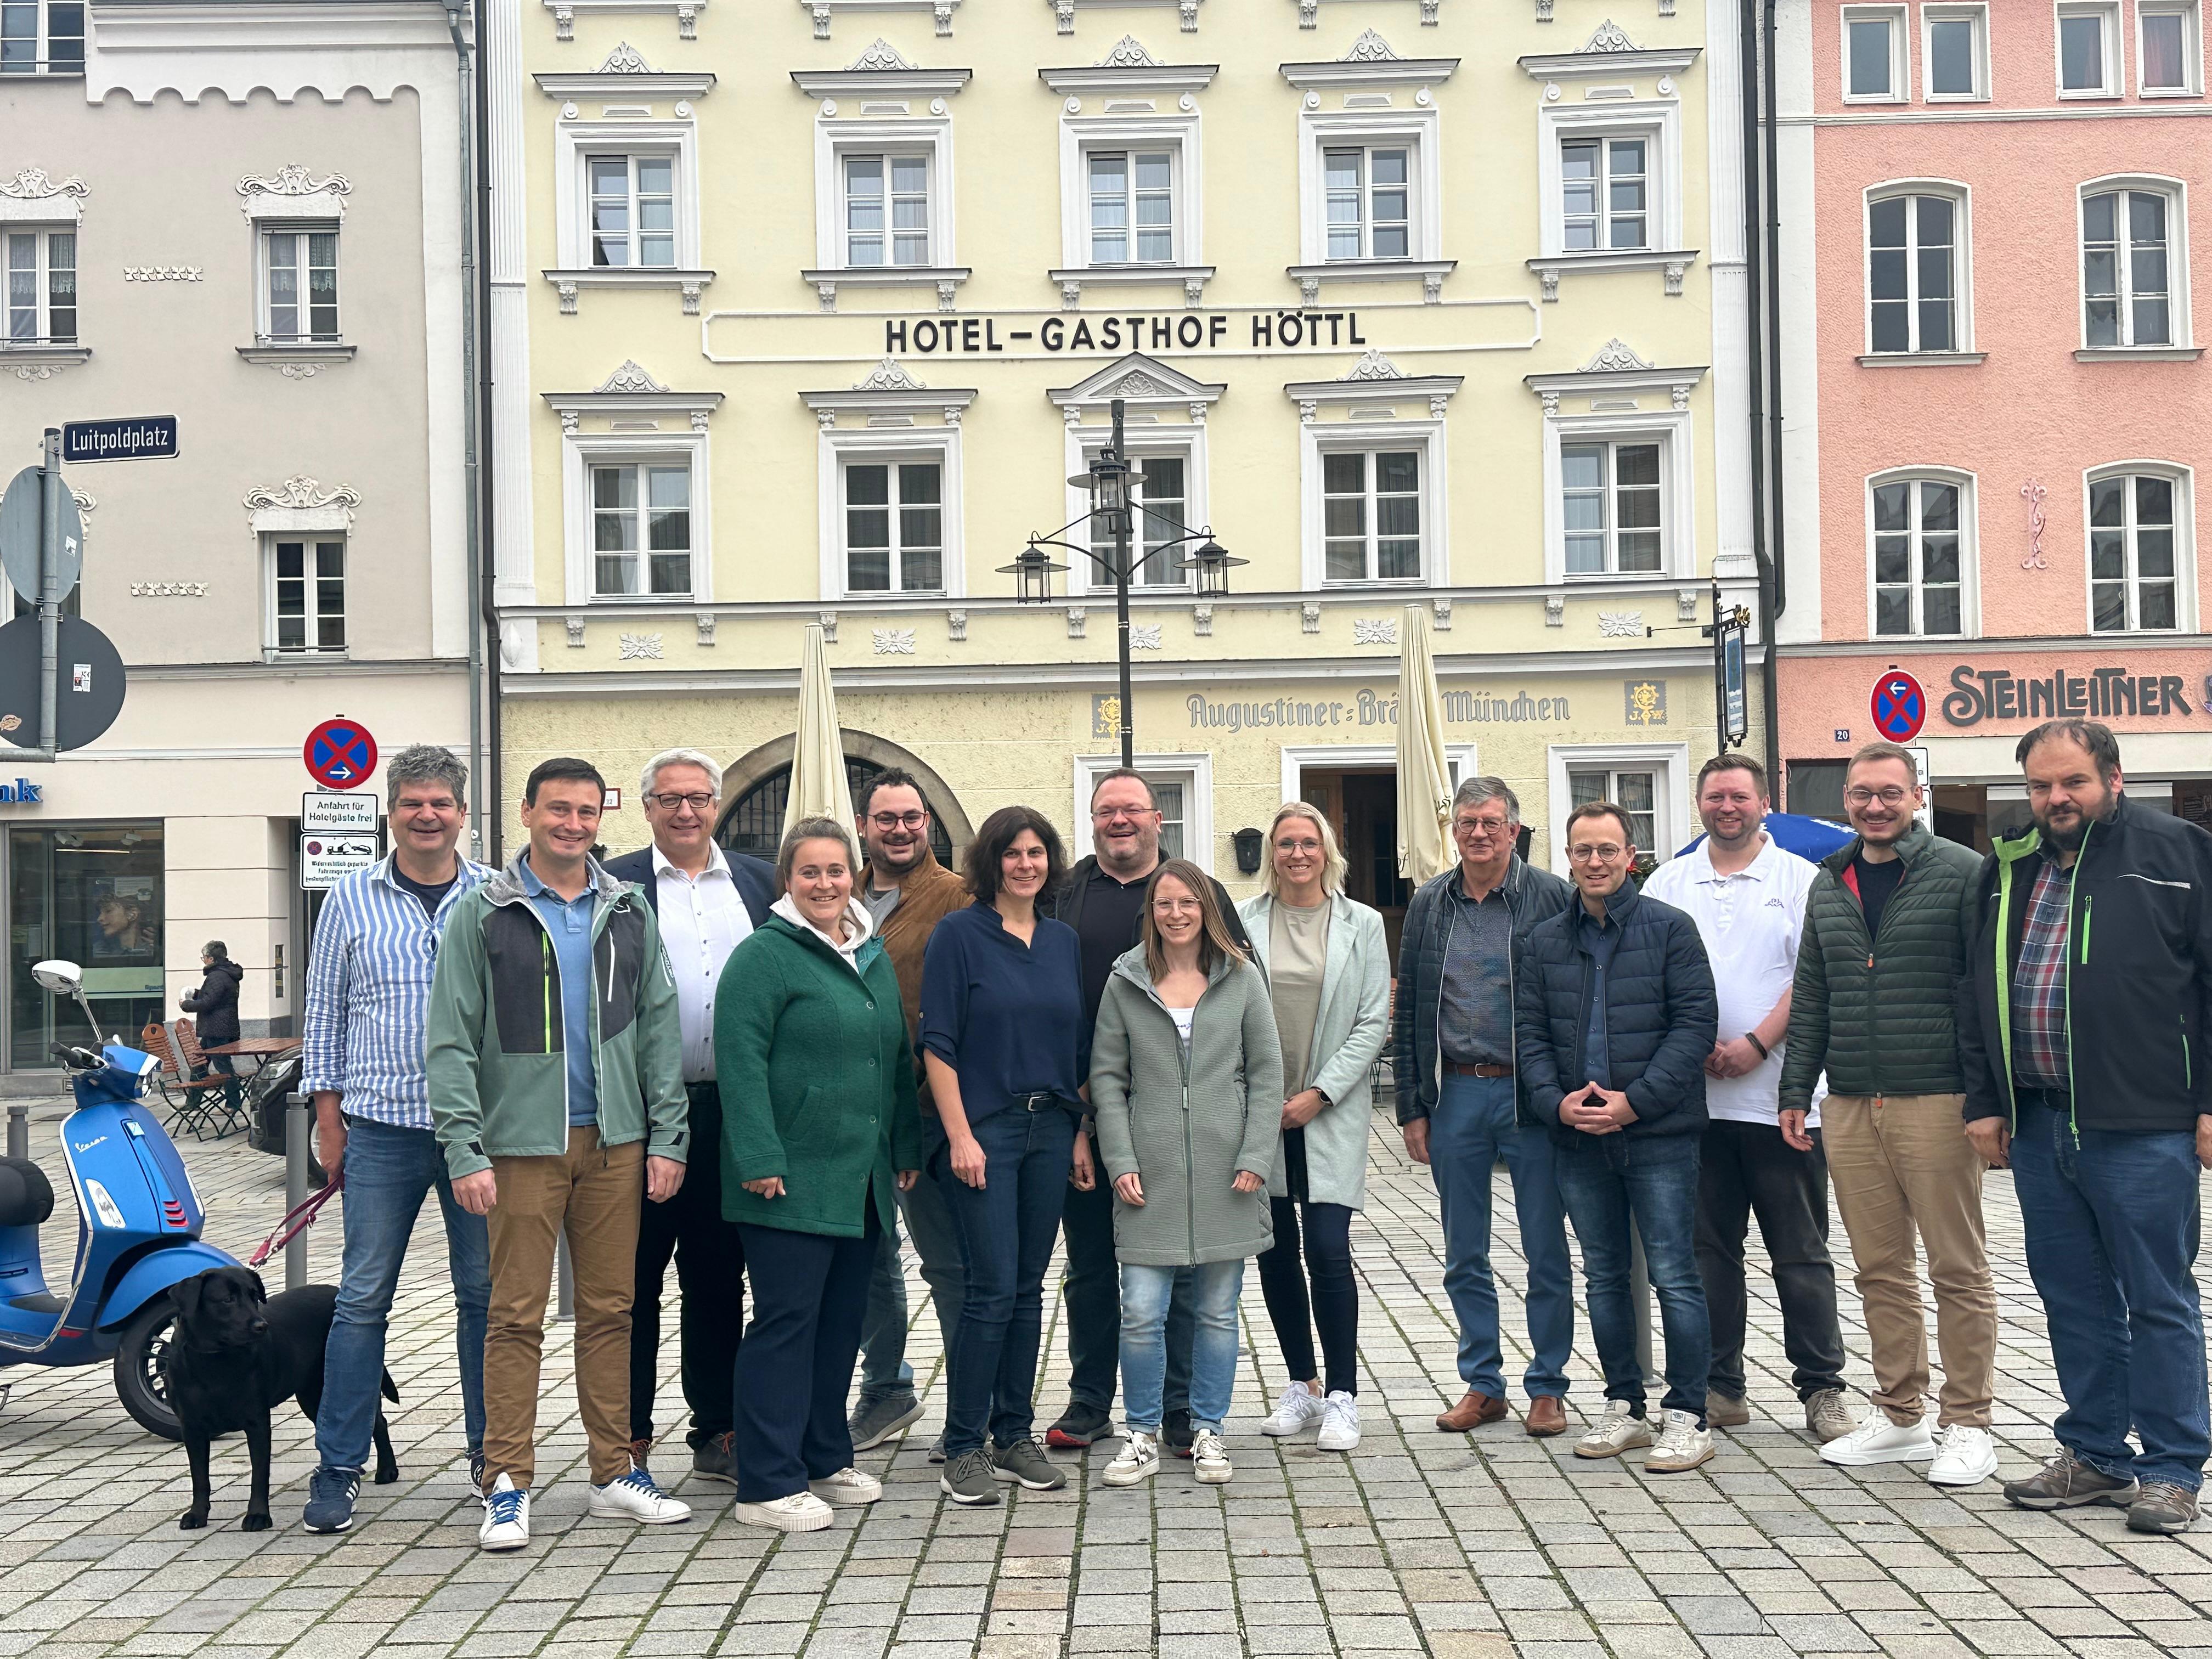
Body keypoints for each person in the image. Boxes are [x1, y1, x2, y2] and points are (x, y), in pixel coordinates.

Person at [427, 756, 693, 1551]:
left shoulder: (628, 908)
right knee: (513, 1317)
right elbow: (450, 1040)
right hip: (518, 1149)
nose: (573, 825)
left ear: (601, 819)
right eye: (559, 811)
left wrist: (667, 1135)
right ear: (528, 813)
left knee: (613, 1311)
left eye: (586, 812)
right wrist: (463, 1147)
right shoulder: (484, 913)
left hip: (616, 1143)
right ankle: (505, 1480)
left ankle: (615, 1471)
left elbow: (658, 1030)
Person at [1959, 721, 2212, 1534]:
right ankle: (2098, 1455)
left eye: (2072, 783)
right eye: (2041, 787)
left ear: (2114, 777)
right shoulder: (2010, 868)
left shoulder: (2179, 854)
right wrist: (1986, 1101)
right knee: (2071, 1297)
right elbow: (1975, 992)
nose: (2057, 800)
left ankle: (2173, 1468)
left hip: (2145, 1124)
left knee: (2158, 1297)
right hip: (2038, 1123)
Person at [1780, 740, 1995, 1487]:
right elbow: (1812, 995)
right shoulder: (1830, 881)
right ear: (1846, 799)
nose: (1875, 805)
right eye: (1862, 793)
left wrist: (1987, 1101)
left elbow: (1981, 992)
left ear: (1917, 796)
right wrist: (1793, 1092)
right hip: (1848, 1103)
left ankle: (1967, 1423)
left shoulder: (1963, 874)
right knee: (1879, 1269)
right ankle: (1901, 1413)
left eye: (1889, 793)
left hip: (1936, 1099)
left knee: (1957, 1269)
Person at [298, 746, 494, 1534]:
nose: (427, 816)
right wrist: (327, 1117)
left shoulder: (495, 896)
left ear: (461, 812)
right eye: (413, 803)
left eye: (441, 803)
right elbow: (325, 1014)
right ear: (392, 811)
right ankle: (338, 1466)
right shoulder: (349, 899)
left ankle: (495, 1458)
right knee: (361, 1298)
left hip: (476, 1135)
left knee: (485, 1298)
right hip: (380, 1129)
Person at [1640, 756, 1852, 1444]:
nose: (1726, 806)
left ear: (1764, 800)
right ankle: (1721, 1386)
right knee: (1709, 1255)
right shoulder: (1670, 881)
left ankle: (1822, 1389)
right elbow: (1657, 978)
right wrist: (1690, 1048)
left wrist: (1757, 1045)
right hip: (1695, 1103)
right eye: (1714, 796)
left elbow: (1812, 979)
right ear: (1699, 804)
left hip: (1784, 1101)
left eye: (1739, 795)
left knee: (1801, 1254)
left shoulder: (1800, 880)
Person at [719, 816, 921, 1532]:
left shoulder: (868, 953)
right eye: (811, 872)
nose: (826, 884)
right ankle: (767, 1484)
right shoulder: (763, 957)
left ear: (855, 876)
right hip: (787, 1177)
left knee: (840, 1326)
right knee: (786, 1326)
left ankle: (822, 1454)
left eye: (837, 871)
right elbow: (738, 1064)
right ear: (788, 880)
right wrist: (759, 1158)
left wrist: (905, 1147)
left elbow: (893, 1060)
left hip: (858, 1180)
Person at [1041, 769, 1250, 1454]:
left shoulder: (1203, 894)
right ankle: (1091, 1400)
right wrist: (1077, 1123)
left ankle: (1183, 1410)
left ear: (1158, 818)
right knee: (1095, 1268)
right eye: (1107, 810)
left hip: (1183, 1129)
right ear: (1093, 820)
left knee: (1186, 1272)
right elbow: (1057, 1012)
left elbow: (1244, 1007)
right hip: (1091, 1114)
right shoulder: (1065, 893)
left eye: (1132, 808)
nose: (1120, 820)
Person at [1518, 799, 1719, 1473]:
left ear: (1630, 856)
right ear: (1568, 859)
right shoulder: (1545, 940)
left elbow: (1694, 1026)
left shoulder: (1670, 930)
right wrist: (1557, 1105)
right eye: (1583, 851)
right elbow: (1531, 1037)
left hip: (1658, 1132)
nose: (1596, 862)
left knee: (1674, 1275)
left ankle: (1688, 1414)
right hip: (1578, 1135)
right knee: (1604, 1275)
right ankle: (1626, 1407)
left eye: (1608, 850)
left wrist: (1636, 1104)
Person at [601, 748, 774, 1489]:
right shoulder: (616, 887)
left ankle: (719, 1428)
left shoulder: (760, 884)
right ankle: (630, 1439)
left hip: (734, 1112)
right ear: (647, 808)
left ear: (716, 803)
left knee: (717, 1277)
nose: (685, 811)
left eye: (699, 798)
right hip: (642, 1113)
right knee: (632, 1284)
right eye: (669, 799)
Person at [919, 806, 1093, 1506]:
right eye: (1013, 854)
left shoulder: (1061, 942)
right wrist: (959, 1135)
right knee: (989, 1291)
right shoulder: (957, 936)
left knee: (1027, 1289)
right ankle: (963, 1447)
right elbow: (939, 1045)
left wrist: (1080, 1131)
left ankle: (1013, 1434)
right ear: (991, 863)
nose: (1027, 864)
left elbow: (1074, 1049)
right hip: (985, 1132)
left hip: (1052, 1130)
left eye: (1038, 853)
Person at [1392, 776, 1575, 1437]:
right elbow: (1412, 1008)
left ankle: (1548, 1385)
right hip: (1459, 1092)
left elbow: (1573, 1000)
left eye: (1490, 823)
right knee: (1463, 1251)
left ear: (1513, 830)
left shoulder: (1553, 896)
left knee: (1544, 1247)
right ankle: (1483, 1382)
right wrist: (1414, 1104)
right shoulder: (1429, 905)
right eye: (1467, 822)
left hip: (1533, 1094)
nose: (1477, 833)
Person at [1091, 859, 1280, 1488]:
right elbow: (1109, 1081)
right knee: (1142, 1309)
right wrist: (1119, 1159)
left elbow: (1267, 1074)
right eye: (1164, 904)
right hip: (1149, 1175)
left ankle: (1209, 1431)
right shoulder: (1125, 981)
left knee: (1219, 1313)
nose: (1176, 915)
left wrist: (1257, 1155)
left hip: (1231, 1174)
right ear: (1152, 912)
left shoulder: (1242, 979)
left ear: (1207, 910)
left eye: (1188, 904)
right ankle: (1142, 1434)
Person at [1239, 804, 1389, 1453]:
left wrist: (1320, 1094)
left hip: (1328, 1110)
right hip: (1261, 1113)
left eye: (1308, 843)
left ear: (1328, 852)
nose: (1297, 854)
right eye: (1286, 844)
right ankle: (1301, 1384)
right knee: (1274, 1252)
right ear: (1273, 854)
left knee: (1327, 1249)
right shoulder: (1244, 921)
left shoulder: (1365, 923)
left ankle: (1343, 1396)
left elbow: (1371, 1021)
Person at [849, 771, 972, 1460]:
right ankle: (887, 1388)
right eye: (885, 819)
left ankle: (969, 1406)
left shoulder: (958, 898)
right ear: (866, 826)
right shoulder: (840, 895)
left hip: (926, 1111)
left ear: (928, 823)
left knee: (945, 1266)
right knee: (867, 1257)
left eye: (911, 818)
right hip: (854, 1114)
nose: (899, 829)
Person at [180, 940, 244, 1117]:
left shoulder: (217, 976)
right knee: (200, 1065)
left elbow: (209, 1003)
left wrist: (186, 1005)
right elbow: (217, 998)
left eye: (204, 957)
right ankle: (192, 1103)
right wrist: (198, 993)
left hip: (217, 1029)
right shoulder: (227, 973)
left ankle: (233, 1103)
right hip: (219, 1028)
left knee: (223, 1068)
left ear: (210, 958)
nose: (203, 961)